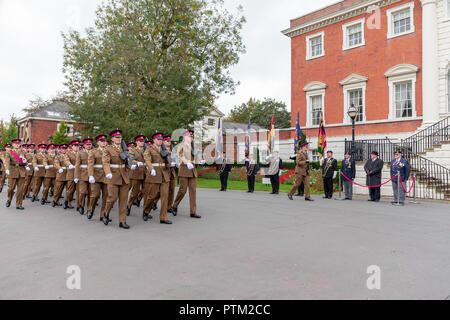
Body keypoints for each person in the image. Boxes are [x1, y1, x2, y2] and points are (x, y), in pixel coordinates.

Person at [102, 129, 133, 229]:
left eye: (120, 137)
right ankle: (106, 213)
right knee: (112, 198)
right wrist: (108, 172)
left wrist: (132, 166)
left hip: (124, 177)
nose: (119, 139)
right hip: (113, 176)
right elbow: (105, 162)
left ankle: (122, 221)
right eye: (116, 137)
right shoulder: (108, 149)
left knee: (123, 200)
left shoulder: (125, 149)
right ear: (112, 139)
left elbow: (128, 160)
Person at [171, 130, 204, 218]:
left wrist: (200, 161)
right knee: (182, 190)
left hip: (193, 171)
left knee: (193, 191)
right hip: (184, 169)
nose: (191, 138)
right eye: (189, 136)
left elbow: (196, 156)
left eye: (191, 136)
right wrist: (187, 162)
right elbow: (180, 155)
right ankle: (175, 205)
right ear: (185, 137)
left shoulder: (194, 146)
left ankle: (193, 212)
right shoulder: (181, 145)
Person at [143, 132, 172, 224]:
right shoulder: (149, 149)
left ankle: (163, 217)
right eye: (158, 139)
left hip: (164, 174)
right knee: (152, 196)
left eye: (161, 140)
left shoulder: (165, 149)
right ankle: (146, 211)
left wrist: (170, 164)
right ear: (154, 140)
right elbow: (147, 159)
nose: (160, 141)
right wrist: (151, 169)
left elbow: (167, 160)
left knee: (165, 196)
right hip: (155, 175)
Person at [87, 134, 109, 220]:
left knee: (106, 196)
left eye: (105, 141)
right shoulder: (93, 152)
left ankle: (103, 214)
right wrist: (90, 175)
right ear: (98, 142)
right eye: (102, 141)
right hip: (96, 176)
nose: (104, 142)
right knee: (95, 195)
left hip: (107, 176)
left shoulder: (109, 150)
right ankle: (90, 209)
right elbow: (90, 164)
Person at [4, 139, 29, 209]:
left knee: (20, 190)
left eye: (18, 143)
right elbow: (7, 161)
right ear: (13, 145)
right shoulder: (9, 152)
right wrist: (7, 169)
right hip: (13, 171)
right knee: (11, 188)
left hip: (21, 171)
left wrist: (26, 164)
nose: (17, 145)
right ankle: (9, 199)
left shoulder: (23, 152)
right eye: (16, 144)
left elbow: (25, 161)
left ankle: (19, 204)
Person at [126, 135, 146, 216]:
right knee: (135, 192)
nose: (142, 142)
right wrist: (137, 162)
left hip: (145, 172)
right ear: (137, 142)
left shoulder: (146, 150)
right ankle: (128, 206)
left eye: (142, 141)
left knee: (146, 190)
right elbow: (131, 158)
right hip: (136, 173)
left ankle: (145, 210)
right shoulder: (133, 150)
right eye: (140, 141)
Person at [75, 137, 94, 215]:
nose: (89, 146)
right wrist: (76, 176)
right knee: (82, 192)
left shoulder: (94, 152)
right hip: (82, 175)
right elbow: (77, 165)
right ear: (84, 145)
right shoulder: (80, 153)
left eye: (90, 144)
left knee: (91, 193)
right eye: (87, 144)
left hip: (92, 175)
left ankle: (89, 208)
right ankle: (81, 205)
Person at [163, 135, 178, 216]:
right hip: (165, 171)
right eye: (167, 141)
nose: (169, 142)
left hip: (171, 172)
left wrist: (177, 163)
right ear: (163, 142)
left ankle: (169, 207)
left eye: (170, 141)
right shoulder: (161, 150)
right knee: (161, 192)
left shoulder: (173, 150)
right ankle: (154, 202)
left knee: (171, 191)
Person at [64, 140, 79, 210]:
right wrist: (70, 165)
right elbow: (66, 160)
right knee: (70, 190)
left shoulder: (81, 153)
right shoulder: (68, 153)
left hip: (79, 174)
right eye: (75, 146)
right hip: (71, 173)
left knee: (80, 190)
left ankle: (79, 205)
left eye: (77, 146)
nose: (76, 147)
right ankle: (67, 201)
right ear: (72, 147)